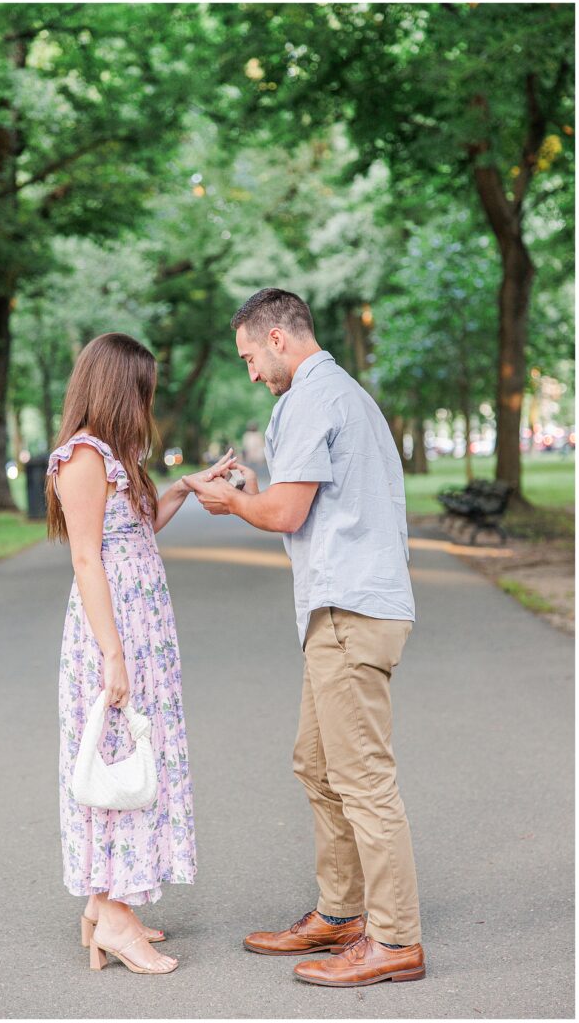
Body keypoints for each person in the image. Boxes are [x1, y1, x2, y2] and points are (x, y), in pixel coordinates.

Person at [183, 289, 425, 987]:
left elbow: (286, 514)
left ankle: (394, 939)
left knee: (361, 780)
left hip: (348, 611)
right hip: (342, 609)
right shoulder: (339, 394)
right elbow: (308, 499)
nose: (250, 372)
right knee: (317, 766)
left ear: (278, 339)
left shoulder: (308, 398)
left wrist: (234, 501)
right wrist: (255, 490)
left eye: (250, 356)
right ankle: (342, 914)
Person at [45, 332, 236, 976]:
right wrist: (114, 656)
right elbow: (85, 556)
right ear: (119, 388)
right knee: (120, 761)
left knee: (136, 757)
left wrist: (182, 487)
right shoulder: (82, 457)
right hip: (114, 629)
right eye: (144, 388)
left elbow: (133, 533)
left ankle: (107, 907)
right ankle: (115, 917)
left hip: (139, 625)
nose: (149, 400)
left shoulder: (114, 455)